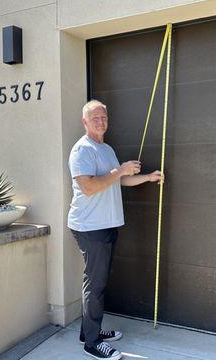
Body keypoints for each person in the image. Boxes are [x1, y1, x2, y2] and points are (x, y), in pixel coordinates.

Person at [68, 99, 164, 360]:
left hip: (107, 224)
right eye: (95, 118)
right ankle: (91, 343)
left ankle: (88, 331)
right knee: (95, 283)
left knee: (98, 281)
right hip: (90, 227)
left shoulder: (106, 149)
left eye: (104, 117)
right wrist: (119, 170)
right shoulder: (82, 151)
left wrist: (146, 177)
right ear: (85, 122)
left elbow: (119, 180)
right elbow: (89, 187)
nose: (101, 121)